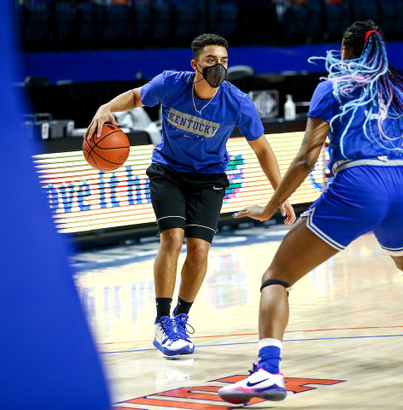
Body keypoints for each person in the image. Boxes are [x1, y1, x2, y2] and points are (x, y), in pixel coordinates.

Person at [218, 20, 403, 404]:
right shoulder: (397, 89)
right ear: (377, 53)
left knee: (277, 277)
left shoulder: (332, 87)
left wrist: (271, 206)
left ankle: (267, 372)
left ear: (343, 53)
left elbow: (307, 158)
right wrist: (400, 166)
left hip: (358, 186)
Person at [84, 33, 296, 356]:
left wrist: (281, 195)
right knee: (172, 239)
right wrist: (105, 107)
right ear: (195, 65)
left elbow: (263, 149)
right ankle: (162, 321)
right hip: (168, 170)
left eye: (224, 61)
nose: (219, 67)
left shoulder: (237, 102)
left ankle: (181, 319)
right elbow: (136, 97)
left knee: (198, 250)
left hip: (209, 177)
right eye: (211, 61)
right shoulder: (171, 83)